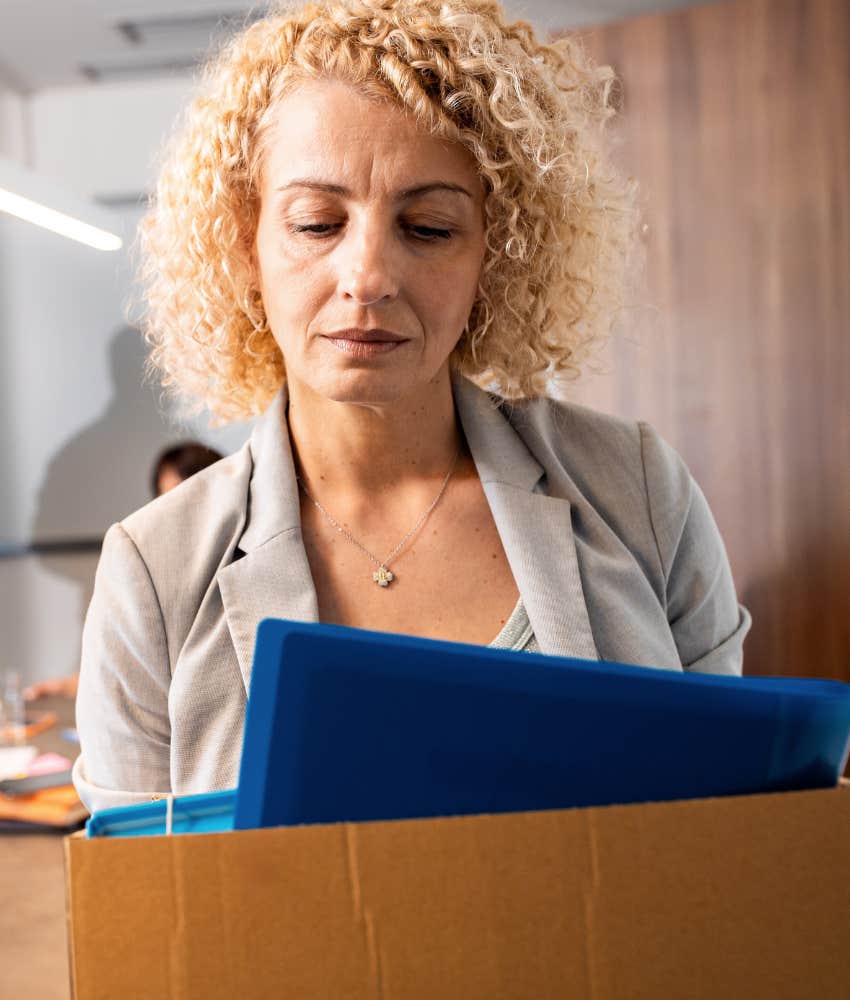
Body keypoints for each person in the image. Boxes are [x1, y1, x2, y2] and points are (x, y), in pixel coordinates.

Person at [73, 0, 751, 814]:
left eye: (428, 227)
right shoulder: (154, 572)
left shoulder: (637, 493)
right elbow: (144, 919)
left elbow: (727, 844)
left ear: (494, 258)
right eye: (317, 223)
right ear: (242, 244)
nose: (369, 276)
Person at [24, 441, 222, 701]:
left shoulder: (236, 565)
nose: (173, 515)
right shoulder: (145, 566)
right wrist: (64, 687)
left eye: (184, 499)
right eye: (165, 501)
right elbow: (126, 671)